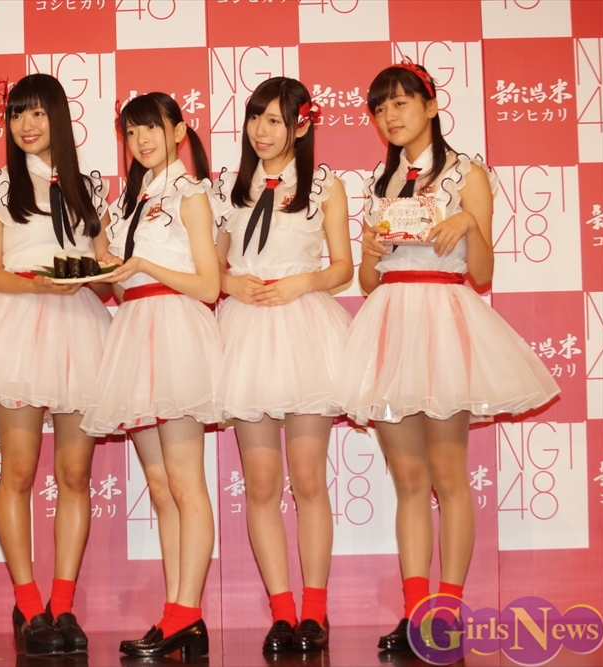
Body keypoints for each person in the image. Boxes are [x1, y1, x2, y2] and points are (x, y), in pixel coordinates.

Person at [334, 60, 560, 652]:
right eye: (380, 108)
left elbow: (482, 274)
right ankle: (416, 614)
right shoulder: (380, 183)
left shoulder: (467, 173)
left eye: (401, 103)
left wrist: (468, 225)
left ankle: (448, 614)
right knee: (409, 479)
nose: (390, 116)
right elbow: (368, 281)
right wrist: (370, 250)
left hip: (443, 319)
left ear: (431, 107)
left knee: (447, 474)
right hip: (392, 322)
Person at [0, 73, 112, 656]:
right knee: (17, 472)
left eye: (37, 113)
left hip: (80, 331)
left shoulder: (87, 186)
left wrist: (99, 273)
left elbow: (103, 266)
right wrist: (39, 284)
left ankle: (63, 605)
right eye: (17, 114)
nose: (26, 124)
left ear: (58, 119)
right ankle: (27, 603)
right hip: (17, 327)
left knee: (75, 474)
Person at [82, 92, 227, 660]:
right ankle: (177, 614)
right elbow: (121, 289)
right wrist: (104, 255)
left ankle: (185, 614)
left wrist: (144, 265)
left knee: (186, 485)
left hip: (176, 334)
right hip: (135, 335)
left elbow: (209, 285)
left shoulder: (192, 194)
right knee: (162, 488)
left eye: (151, 128)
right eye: (131, 132)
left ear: (178, 131)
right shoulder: (129, 201)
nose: (141, 140)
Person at [216, 77, 353, 653]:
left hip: (304, 331)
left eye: (275, 119)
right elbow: (212, 266)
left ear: (303, 123)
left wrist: (303, 282)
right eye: (255, 118)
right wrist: (230, 284)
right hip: (246, 335)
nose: (262, 130)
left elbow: (343, 267)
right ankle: (281, 612)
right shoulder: (229, 187)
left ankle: (315, 612)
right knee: (263, 483)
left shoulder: (325, 185)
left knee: (309, 479)